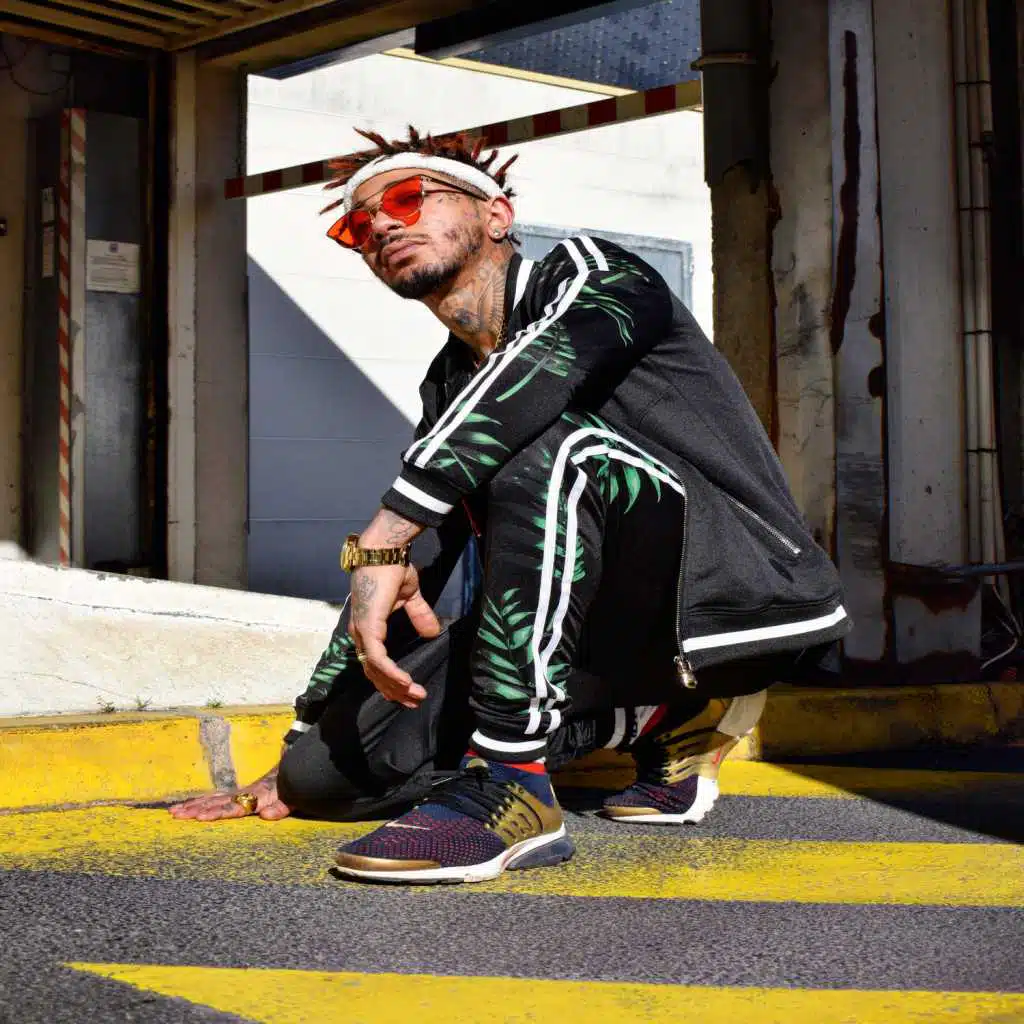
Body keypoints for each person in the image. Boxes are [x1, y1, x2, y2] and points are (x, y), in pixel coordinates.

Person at [170, 127, 850, 884]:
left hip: (740, 590)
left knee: (538, 442)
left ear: (496, 215)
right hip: (592, 637)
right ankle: (661, 720)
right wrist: (299, 738)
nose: (383, 225)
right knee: (323, 781)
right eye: (357, 226)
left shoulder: (595, 273)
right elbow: (410, 554)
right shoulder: (450, 384)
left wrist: (387, 530)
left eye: (406, 199)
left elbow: (540, 373)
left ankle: (512, 781)